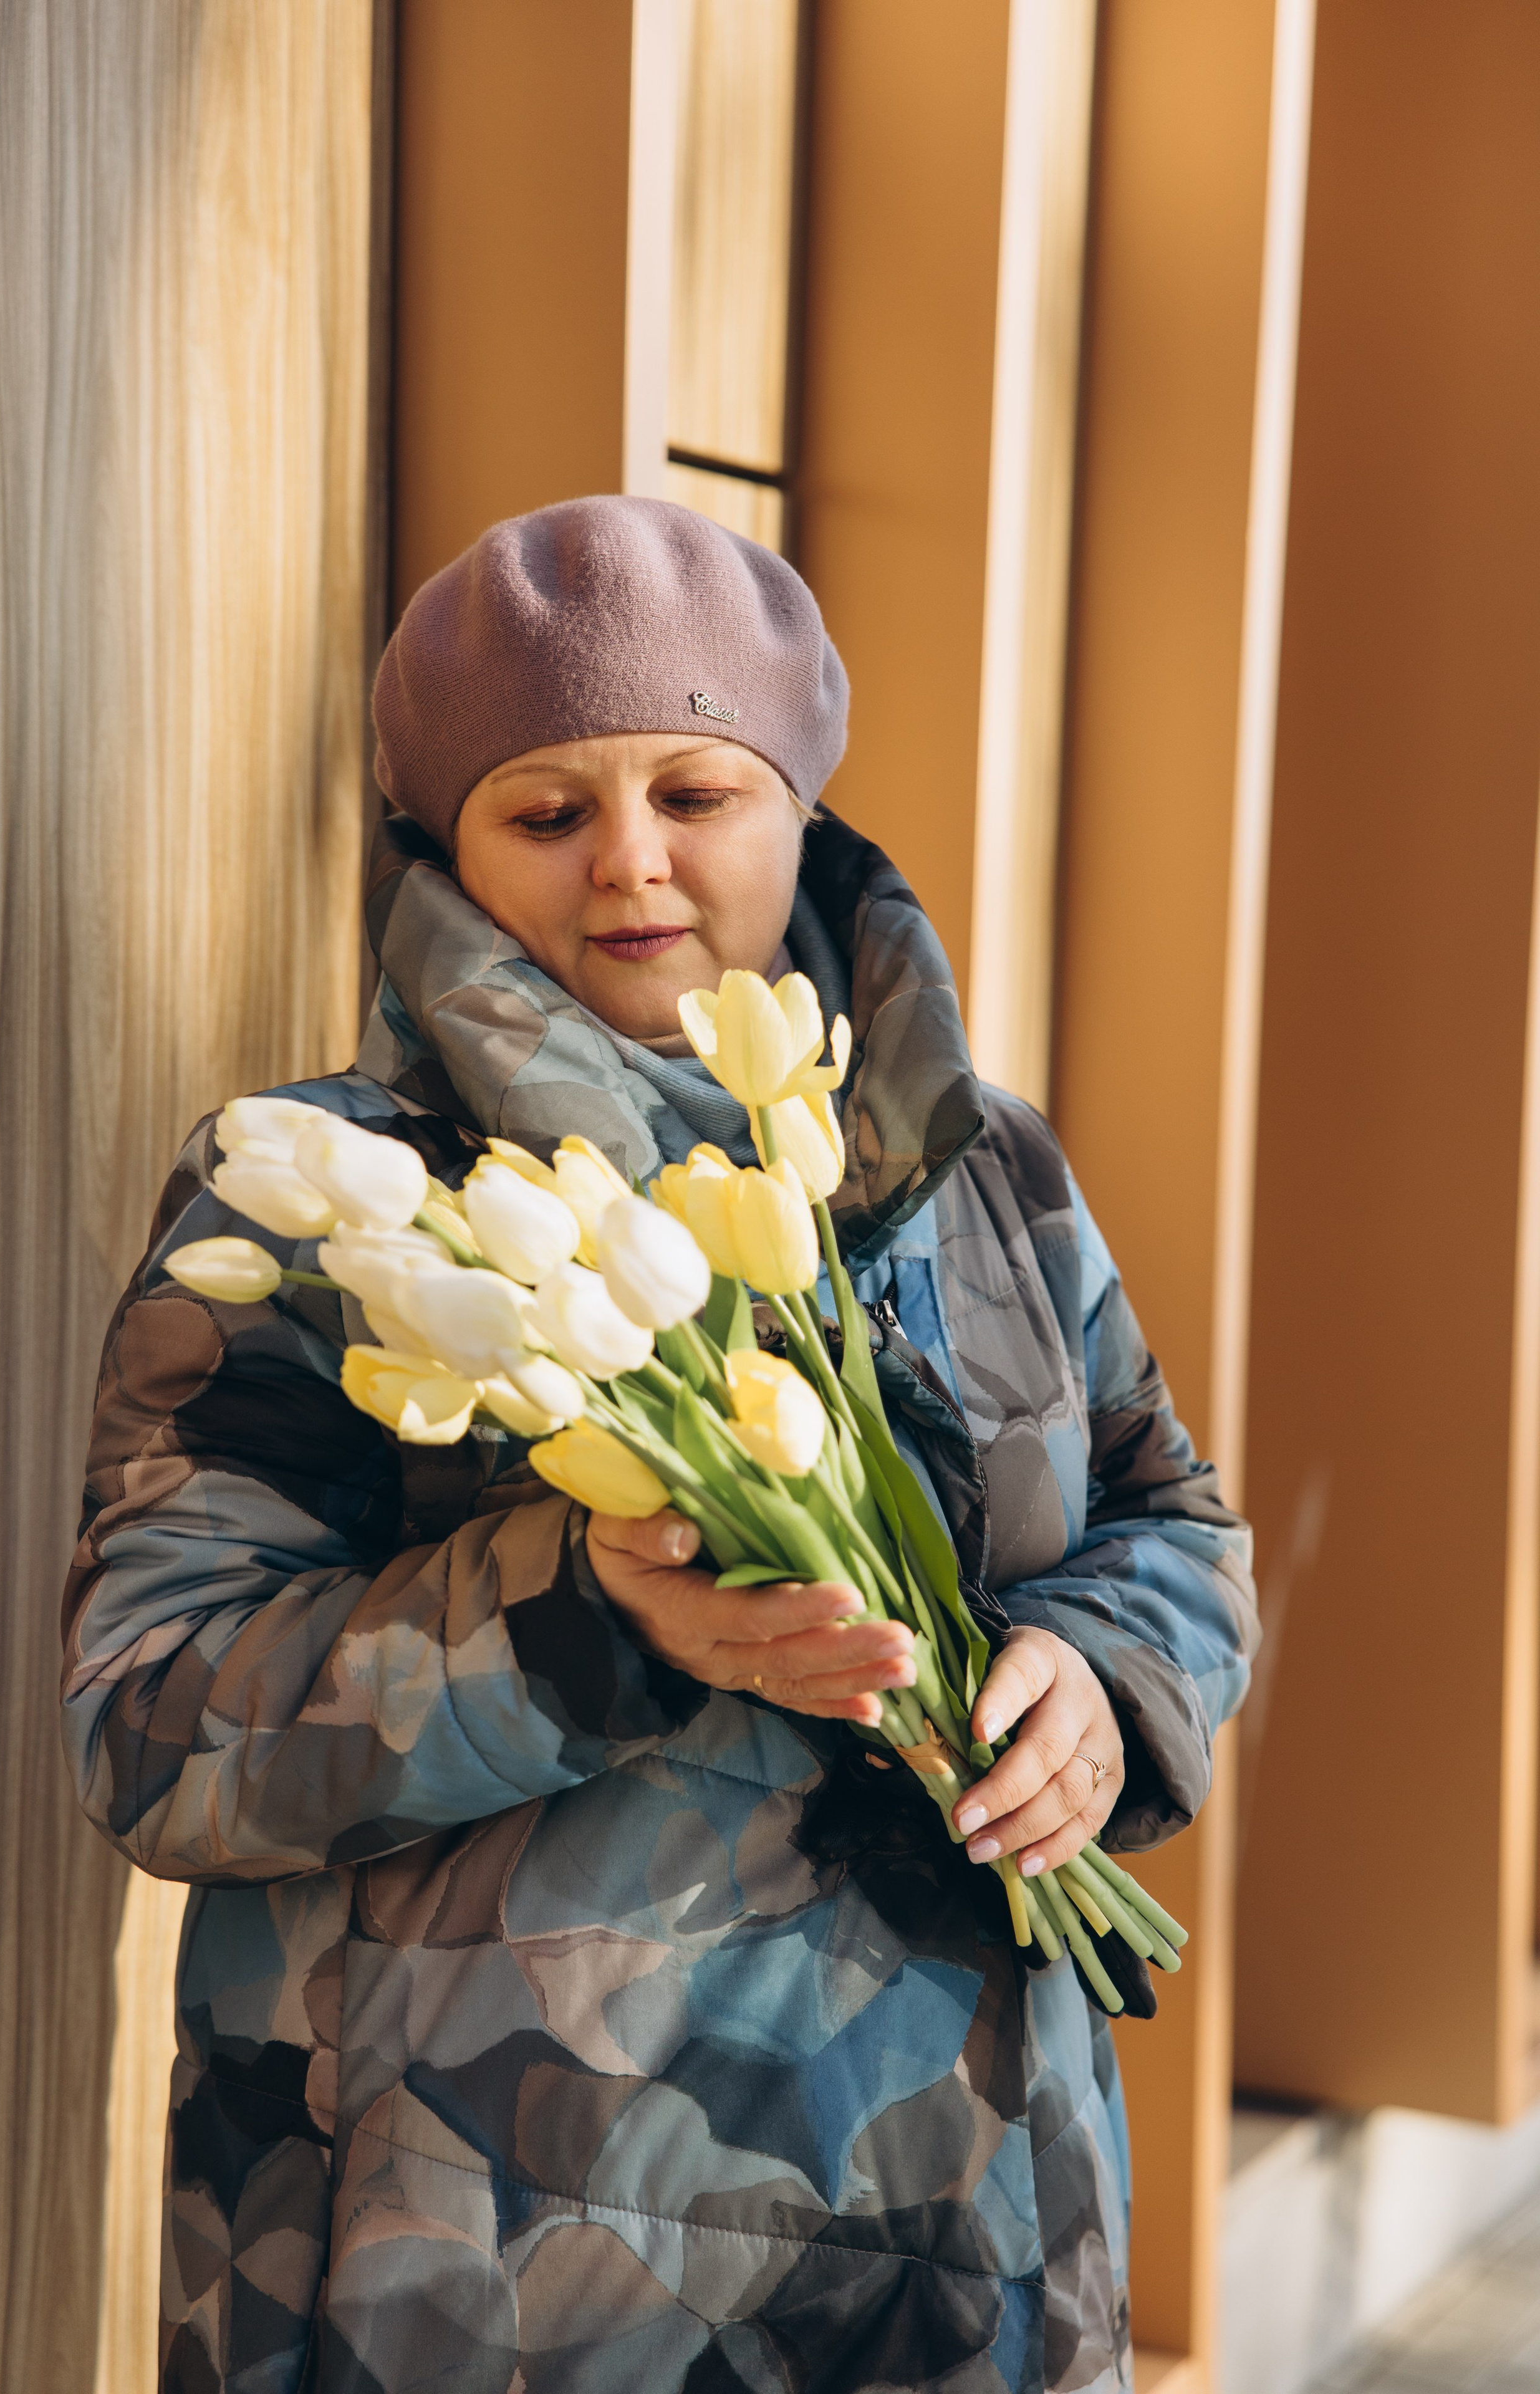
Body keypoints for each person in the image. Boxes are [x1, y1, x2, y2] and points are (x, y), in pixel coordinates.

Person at [61, 496, 1257, 2394]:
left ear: (799, 805)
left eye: (697, 793)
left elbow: (1172, 1523)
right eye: (547, 812)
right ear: (443, 847)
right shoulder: (342, 1205)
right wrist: (582, 1620)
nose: (632, 864)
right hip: (494, 2285)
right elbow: (151, 1728)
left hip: (972, 2261)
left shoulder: (981, 1168)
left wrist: (1109, 1685)